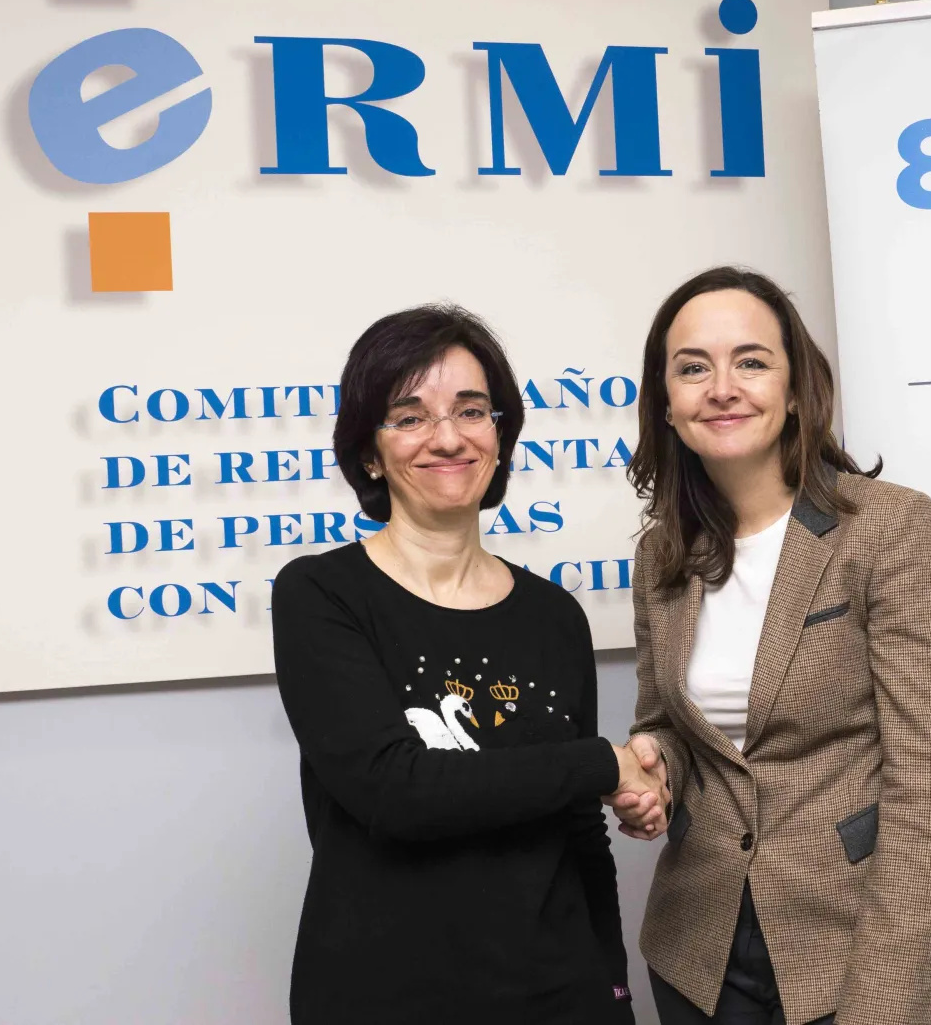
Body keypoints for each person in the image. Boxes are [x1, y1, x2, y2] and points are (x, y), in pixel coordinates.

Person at [271, 304, 662, 1025]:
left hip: (559, 998)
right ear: (368, 452)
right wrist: (605, 765)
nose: (447, 437)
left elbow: (581, 835)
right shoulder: (320, 593)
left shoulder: (553, 616)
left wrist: (613, 989)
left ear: (500, 435)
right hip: (382, 998)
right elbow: (397, 791)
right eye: (409, 415)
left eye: (472, 411)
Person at [608, 267, 931, 1025]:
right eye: (692, 368)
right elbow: (669, 725)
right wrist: (652, 771)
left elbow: (929, 788)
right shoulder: (661, 555)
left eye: (751, 360)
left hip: (859, 939)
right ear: (667, 405)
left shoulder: (889, 528)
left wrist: (886, 1001)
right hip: (697, 949)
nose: (721, 387)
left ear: (798, 388)